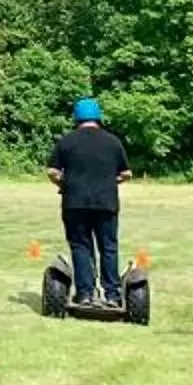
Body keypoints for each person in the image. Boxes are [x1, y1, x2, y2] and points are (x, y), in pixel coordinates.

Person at [47, 96, 131, 308]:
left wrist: (64, 185)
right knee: (109, 247)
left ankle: (85, 294)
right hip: (106, 203)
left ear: (76, 118)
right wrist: (110, 181)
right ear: (98, 117)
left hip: (74, 203)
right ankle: (112, 295)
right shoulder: (113, 141)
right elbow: (127, 173)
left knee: (81, 246)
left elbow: (53, 172)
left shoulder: (66, 141)